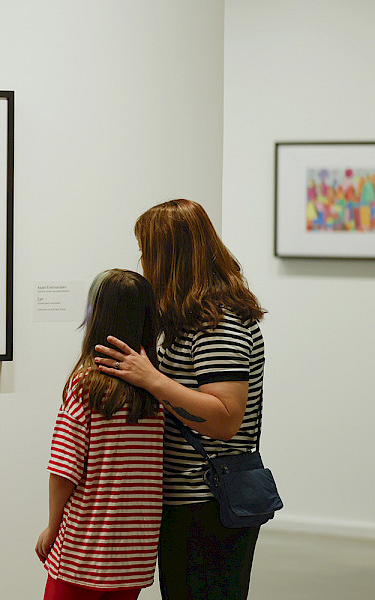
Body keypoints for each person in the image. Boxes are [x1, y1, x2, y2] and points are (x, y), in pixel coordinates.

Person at [93, 199, 267, 600]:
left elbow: (224, 419)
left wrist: (152, 379)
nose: (142, 262)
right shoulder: (192, 318)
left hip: (206, 504)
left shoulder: (217, 324)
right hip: (190, 500)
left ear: (169, 257)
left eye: (147, 252)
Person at [36, 269, 165, 600]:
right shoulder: (156, 392)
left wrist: (52, 529)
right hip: (132, 558)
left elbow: (64, 472)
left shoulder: (86, 386)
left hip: (83, 549)